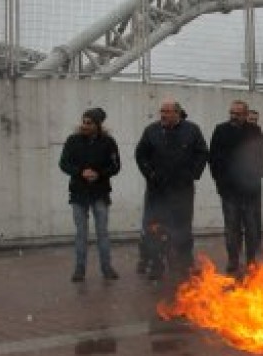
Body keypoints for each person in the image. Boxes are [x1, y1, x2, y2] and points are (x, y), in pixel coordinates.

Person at [135, 99, 208, 279]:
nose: (164, 115)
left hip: (182, 190)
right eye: (162, 111)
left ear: (177, 113)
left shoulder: (192, 130)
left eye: (168, 112)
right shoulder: (151, 131)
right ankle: (156, 264)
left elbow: (202, 153)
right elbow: (140, 154)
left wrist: (192, 174)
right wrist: (150, 174)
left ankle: (184, 264)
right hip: (157, 191)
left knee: (183, 228)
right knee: (154, 229)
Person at [58, 108, 122, 282]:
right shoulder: (73, 141)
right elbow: (63, 164)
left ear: (98, 125)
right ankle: (80, 270)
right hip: (78, 193)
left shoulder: (108, 142)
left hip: (100, 193)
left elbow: (116, 166)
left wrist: (99, 174)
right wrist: (80, 172)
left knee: (102, 233)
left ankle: (106, 268)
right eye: (84, 121)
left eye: (89, 123)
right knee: (81, 234)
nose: (85, 125)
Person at [209, 100, 263, 274]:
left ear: (245, 114)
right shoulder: (221, 130)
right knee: (232, 228)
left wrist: (255, 174)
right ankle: (233, 260)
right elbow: (213, 158)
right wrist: (220, 181)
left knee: (251, 227)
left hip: (250, 190)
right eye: (232, 113)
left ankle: (251, 260)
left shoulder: (254, 132)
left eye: (237, 114)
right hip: (229, 190)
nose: (234, 116)